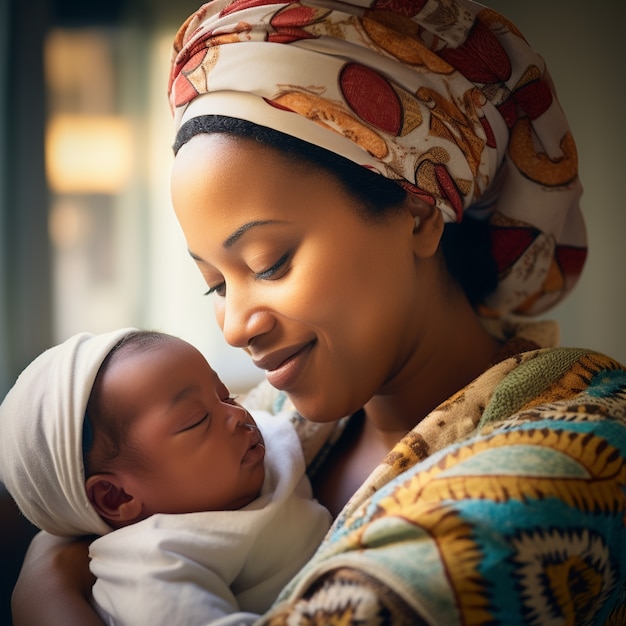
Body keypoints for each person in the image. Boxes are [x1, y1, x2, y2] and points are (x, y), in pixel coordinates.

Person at [12, 0, 626, 624]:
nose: (234, 327)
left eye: (270, 261)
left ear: (415, 212)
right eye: (216, 286)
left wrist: (45, 596)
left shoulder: (573, 453)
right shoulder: (271, 420)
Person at [0, 328, 331, 626]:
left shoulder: (268, 431)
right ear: (117, 496)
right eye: (197, 420)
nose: (237, 415)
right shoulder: (153, 565)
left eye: (226, 395)